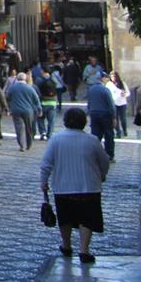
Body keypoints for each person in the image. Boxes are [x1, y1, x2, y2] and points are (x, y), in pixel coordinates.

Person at [40, 107, 113, 264]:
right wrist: (102, 175)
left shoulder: (56, 139)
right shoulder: (92, 140)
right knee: (87, 219)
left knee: (65, 217)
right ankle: (84, 250)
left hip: (63, 186)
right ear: (84, 123)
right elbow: (104, 161)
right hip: (88, 186)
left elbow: (46, 163)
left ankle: (66, 245)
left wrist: (43, 181)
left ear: (66, 122)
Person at [85, 72, 117, 160]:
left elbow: (89, 103)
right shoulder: (105, 90)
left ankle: (95, 154)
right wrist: (114, 117)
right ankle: (109, 155)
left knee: (95, 136)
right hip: (105, 115)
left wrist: (89, 113)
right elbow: (111, 104)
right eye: (107, 78)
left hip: (94, 114)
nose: (107, 80)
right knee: (109, 135)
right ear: (103, 78)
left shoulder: (91, 89)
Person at [6, 72, 41, 151]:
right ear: (25, 79)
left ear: (17, 79)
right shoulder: (29, 88)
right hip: (28, 111)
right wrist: (39, 109)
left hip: (16, 110)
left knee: (19, 128)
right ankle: (29, 144)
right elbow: (36, 99)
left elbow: (7, 97)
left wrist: (9, 107)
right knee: (29, 127)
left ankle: (22, 145)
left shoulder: (12, 87)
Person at [37, 69, 61, 141]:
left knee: (40, 118)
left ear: (43, 72)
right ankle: (49, 134)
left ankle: (42, 132)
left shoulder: (40, 81)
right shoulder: (53, 81)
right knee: (51, 120)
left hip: (43, 103)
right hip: (52, 103)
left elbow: (38, 92)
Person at [108, 72, 130, 138]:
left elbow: (128, 93)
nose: (113, 78)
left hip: (122, 103)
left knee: (123, 118)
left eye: (114, 76)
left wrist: (125, 94)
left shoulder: (122, 83)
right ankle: (118, 132)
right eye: (111, 76)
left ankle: (125, 130)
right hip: (114, 103)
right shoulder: (109, 84)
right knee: (115, 119)